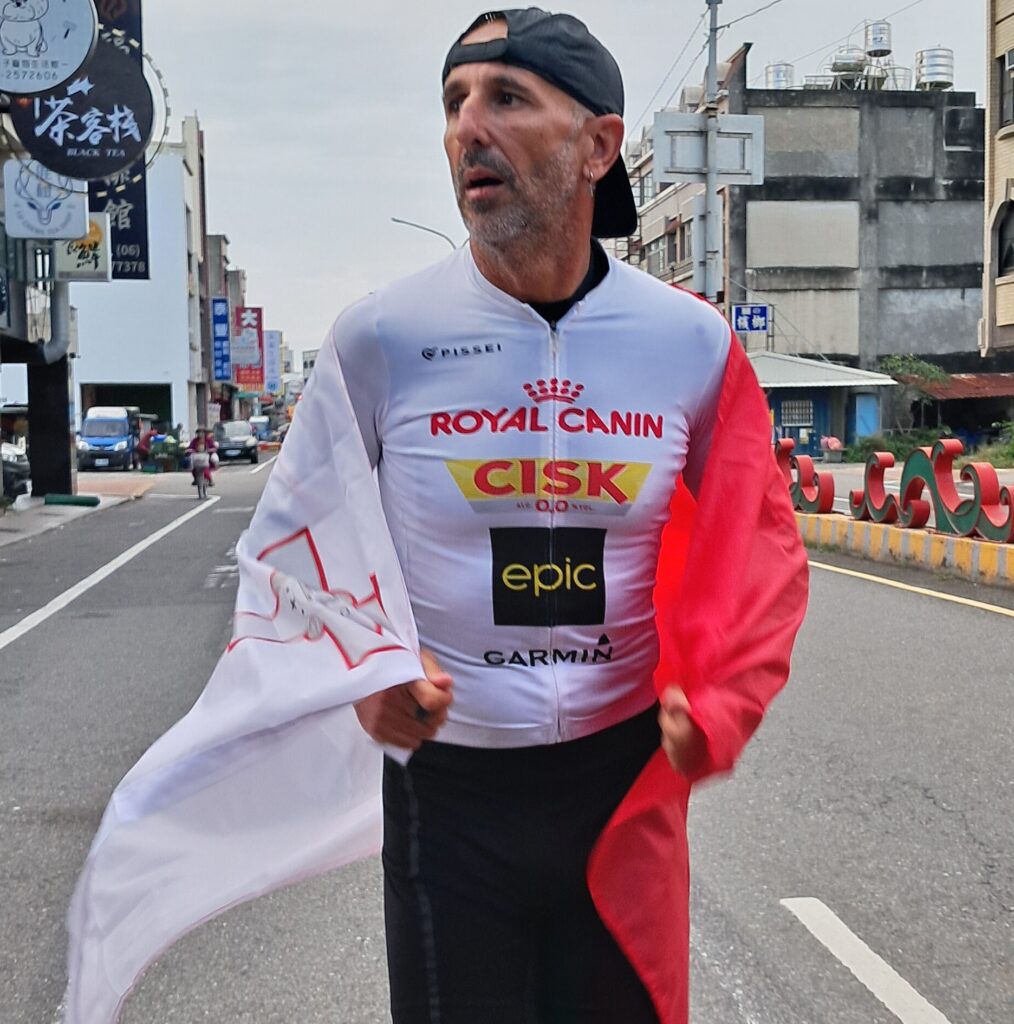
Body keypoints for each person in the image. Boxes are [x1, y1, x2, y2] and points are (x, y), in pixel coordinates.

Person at [64, 11, 807, 1024]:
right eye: (454, 103)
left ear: (598, 144)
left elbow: (759, 541)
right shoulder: (382, 337)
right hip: (451, 794)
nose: (467, 128)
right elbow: (294, 548)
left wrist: (719, 697)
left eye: (506, 98)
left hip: (621, 788)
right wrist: (368, 671)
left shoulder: (689, 342)